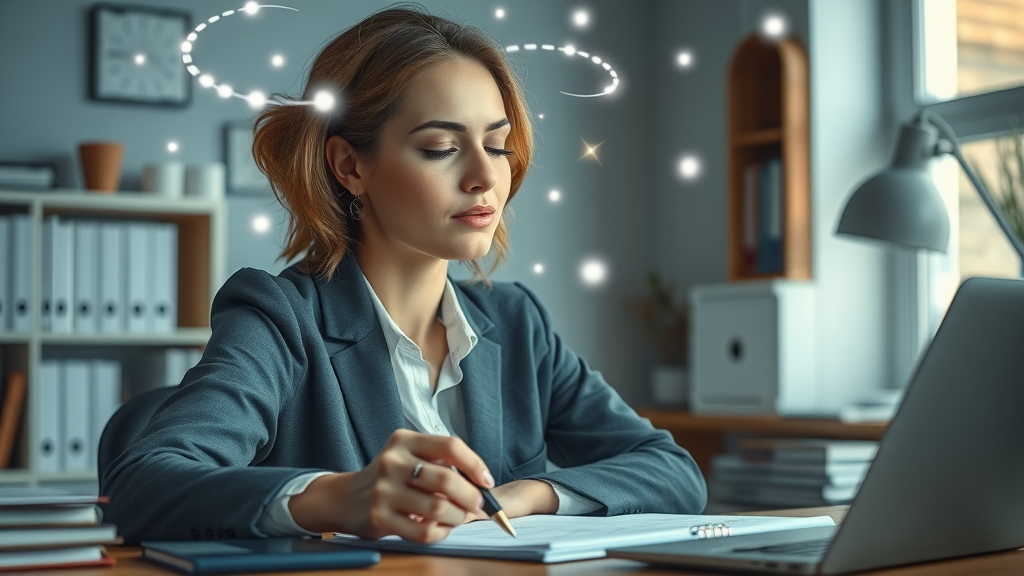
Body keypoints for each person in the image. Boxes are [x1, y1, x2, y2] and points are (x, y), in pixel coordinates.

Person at [102, 4, 706, 545]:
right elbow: (142, 483)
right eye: (441, 147)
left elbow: (671, 471)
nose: (484, 176)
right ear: (350, 166)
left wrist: (525, 496)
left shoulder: (518, 322)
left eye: (496, 145)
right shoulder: (280, 318)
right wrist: (336, 497)